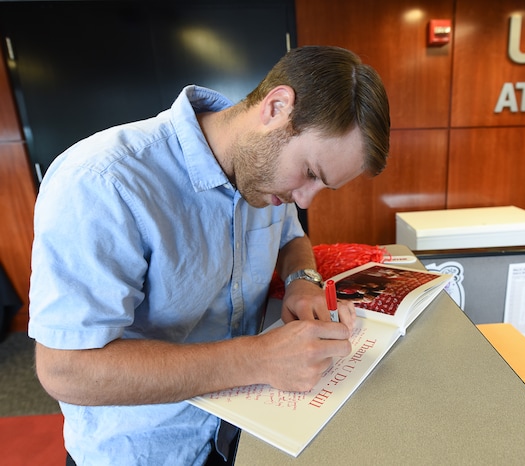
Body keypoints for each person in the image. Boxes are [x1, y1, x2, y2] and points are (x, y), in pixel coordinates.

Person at [28, 45, 390, 465]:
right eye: (310, 173)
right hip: (149, 451)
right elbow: (65, 370)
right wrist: (258, 359)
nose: (305, 200)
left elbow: (292, 239)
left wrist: (302, 282)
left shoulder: (266, 174)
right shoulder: (102, 182)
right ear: (276, 107)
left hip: (240, 432)